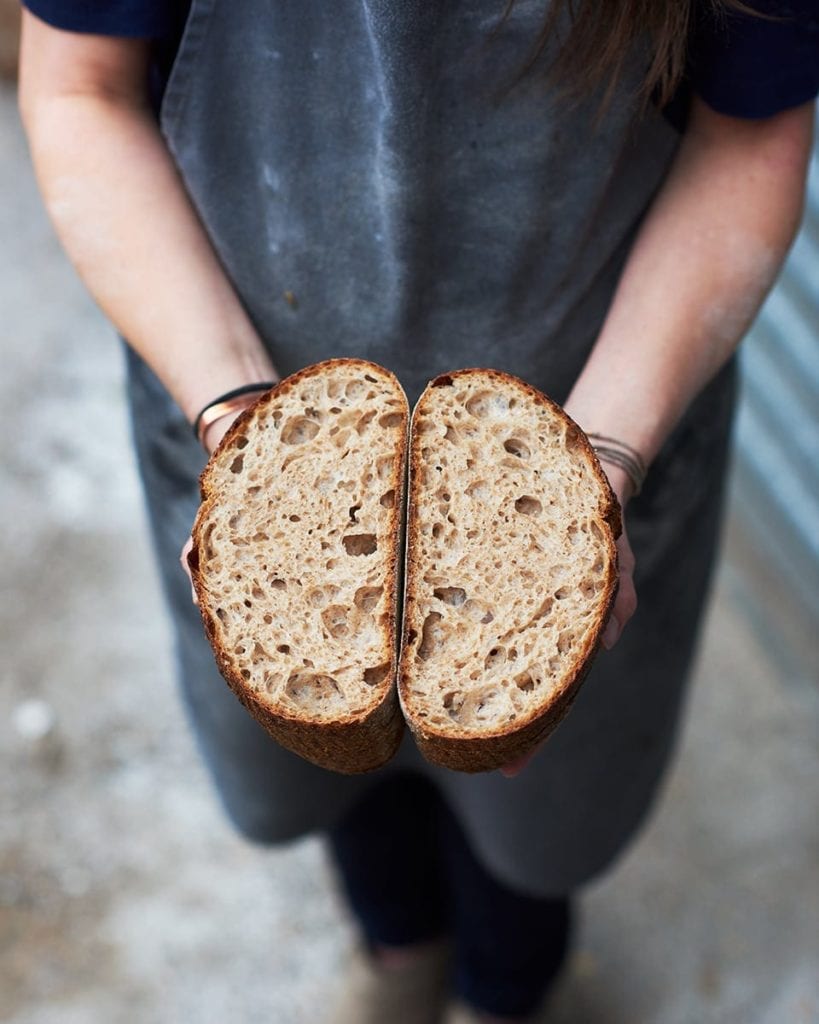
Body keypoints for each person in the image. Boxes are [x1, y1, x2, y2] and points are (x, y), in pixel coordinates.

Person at [17, 2, 818, 1021]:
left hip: (596, 393)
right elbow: (80, 85)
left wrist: (599, 461)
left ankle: (507, 988)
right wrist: (237, 420)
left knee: (537, 809)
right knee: (324, 747)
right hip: (236, 373)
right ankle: (400, 951)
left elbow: (750, 133)